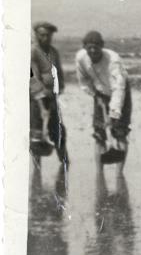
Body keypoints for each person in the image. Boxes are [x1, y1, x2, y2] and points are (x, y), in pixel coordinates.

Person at [75, 30, 133, 173]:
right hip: (100, 92)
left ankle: (119, 173)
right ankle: (99, 173)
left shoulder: (113, 60)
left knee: (120, 131)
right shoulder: (81, 58)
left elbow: (118, 88)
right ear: (84, 47)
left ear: (101, 46)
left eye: (96, 47)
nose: (93, 51)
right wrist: (95, 94)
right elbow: (84, 81)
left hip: (120, 93)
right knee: (99, 132)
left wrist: (114, 112)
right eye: (89, 47)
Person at [30, 21, 69, 165]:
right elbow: (33, 78)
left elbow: (59, 73)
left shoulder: (54, 52)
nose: (45, 38)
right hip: (36, 99)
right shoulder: (33, 51)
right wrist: (42, 106)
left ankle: (64, 164)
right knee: (37, 134)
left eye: (48, 35)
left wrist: (60, 88)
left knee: (58, 131)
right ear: (36, 35)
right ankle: (36, 170)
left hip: (52, 98)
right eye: (42, 35)